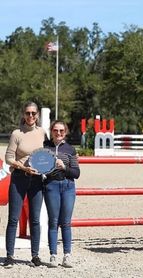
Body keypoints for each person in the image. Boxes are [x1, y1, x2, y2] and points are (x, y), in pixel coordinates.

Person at [4, 101, 46, 268]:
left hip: (36, 180)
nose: (30, 116)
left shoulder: (43, 133)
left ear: (37, 115)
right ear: (23, 114)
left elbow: (48, 153)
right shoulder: (17, 134)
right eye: (28, 113)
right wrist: (23, 167)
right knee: (13, 218)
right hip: (19, 178)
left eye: (33, 113)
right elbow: (9, 158)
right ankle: (9, 255)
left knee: (35, 219)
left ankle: (35, 255)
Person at [43, 120, 80, 268]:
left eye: (61, 131)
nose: (58, 133)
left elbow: (76, 173)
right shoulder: (45, 147)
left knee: (66, 222)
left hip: (68, 186)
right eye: (55, 130)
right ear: (51, 132)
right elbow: (39, 166)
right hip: (51, 185)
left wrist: (64, 166)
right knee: (53, 222)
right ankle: (53, 255)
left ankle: (67, 255)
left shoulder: (70, 149)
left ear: (66, 132)